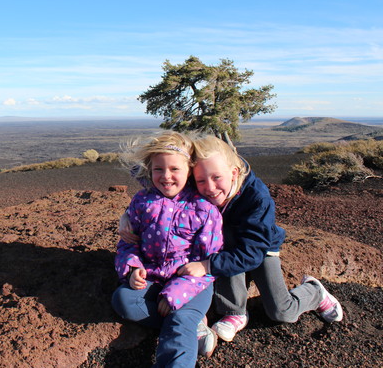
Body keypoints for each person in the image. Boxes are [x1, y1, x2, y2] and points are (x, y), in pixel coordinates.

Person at [120, 134, 343, 346]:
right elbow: (160, 179)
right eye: (200, 180)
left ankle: (314, 292)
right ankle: (234, 312)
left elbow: (252, 253)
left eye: (217, 178)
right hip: (224, 244)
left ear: (234, 173)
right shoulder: (198, 178)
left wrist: (206, 265)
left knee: (281, 312)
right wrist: (127, 216)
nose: (209, 188)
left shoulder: (256, 197)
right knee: (224, 243)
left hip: (259, 248)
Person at [111, 131, 223, 367]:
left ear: (189, 170)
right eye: (159, 169)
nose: (166, 176)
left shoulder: (203, 209)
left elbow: (208, 261)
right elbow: (128, 243)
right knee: (123, 300)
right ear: (150, 171)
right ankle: (194, 327)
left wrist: (176, 294)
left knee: (180, 320)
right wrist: (132, 269)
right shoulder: (142, 201)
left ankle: (185, 326)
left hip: (192, 284)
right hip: (153, 277)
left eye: (175, 169)